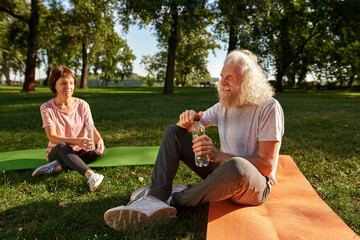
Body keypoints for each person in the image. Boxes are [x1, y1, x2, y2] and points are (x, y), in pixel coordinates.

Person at [104, 49, 284, 231]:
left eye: (229, 77)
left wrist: (217, 155)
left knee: (237, 166)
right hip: (222, 172)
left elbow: (266, 166)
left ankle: (173, 199)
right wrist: (186, 121)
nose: (222, 82)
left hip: (253, 185)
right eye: (222, 76)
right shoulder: (224, 105)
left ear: (248, 80)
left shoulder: (269, 108)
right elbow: (191, 126)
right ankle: (156, 196)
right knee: (173, 132)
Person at [32, 66, 106, 192]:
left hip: (80, 149)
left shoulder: (83, 104)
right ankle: (91, 175)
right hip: (58, 152)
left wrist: (99, 140)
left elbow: (91, 126)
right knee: (61, 146)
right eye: (63, 84)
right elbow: (52, 137)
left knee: (101, 150)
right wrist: (77, 141)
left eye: (71, 83)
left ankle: (58, 168)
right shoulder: (46, 108)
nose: (68, 87)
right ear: (54, 85)